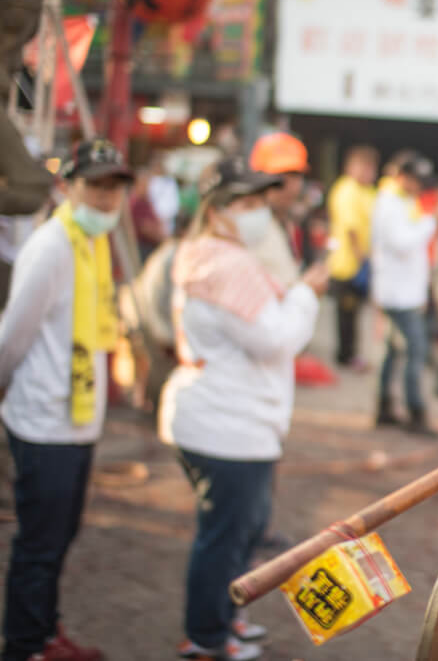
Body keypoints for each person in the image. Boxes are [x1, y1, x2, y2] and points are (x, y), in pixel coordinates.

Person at [158, 157, 328, 660]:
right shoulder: (223, 264)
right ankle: (207, 636)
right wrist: (304, 295)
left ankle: (223, 621)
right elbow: (276, 339)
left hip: (225, 420)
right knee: (223, 539)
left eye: (260, 201)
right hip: (226, 425)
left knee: (237, 533)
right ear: (216, 211)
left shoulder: (212, 256)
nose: (258, 212)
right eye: (246, 203)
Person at [0, 138, 133, 661]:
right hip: (44, 423)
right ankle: (23, 646)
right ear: (68, 186)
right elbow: (13, 335)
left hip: (76, 421)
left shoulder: (90, 245)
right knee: (39, 545)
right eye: (95, 187)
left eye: (114, 189)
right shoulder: (53, 246)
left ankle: (43, 631)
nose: (105, 200)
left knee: (57, 539)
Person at [370, 153, 437, 434]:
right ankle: (415, 412)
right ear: (403, 177)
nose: (419, 186)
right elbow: (401, 242)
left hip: (404, 291)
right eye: (415, 180)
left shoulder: (401, 201)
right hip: (398, 293)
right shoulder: (389, 203)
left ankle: (384, 408)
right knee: (415, 350)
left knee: (393, 351)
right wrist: (429, 224)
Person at [326, 145, 379, 368]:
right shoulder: (346, 189)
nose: (366, 172)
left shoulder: (369, 192)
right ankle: (345, 356)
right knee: (346, 315)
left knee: (355, 314)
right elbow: (351, 228)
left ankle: (351, 354)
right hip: (346, 264)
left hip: (361, 263)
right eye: (362, 167)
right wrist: (363, 260)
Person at [247, 132, 307, 288]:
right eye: (279, 177)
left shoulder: (288, 225)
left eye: (294, 176)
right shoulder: (248, 227)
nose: (288, 186)